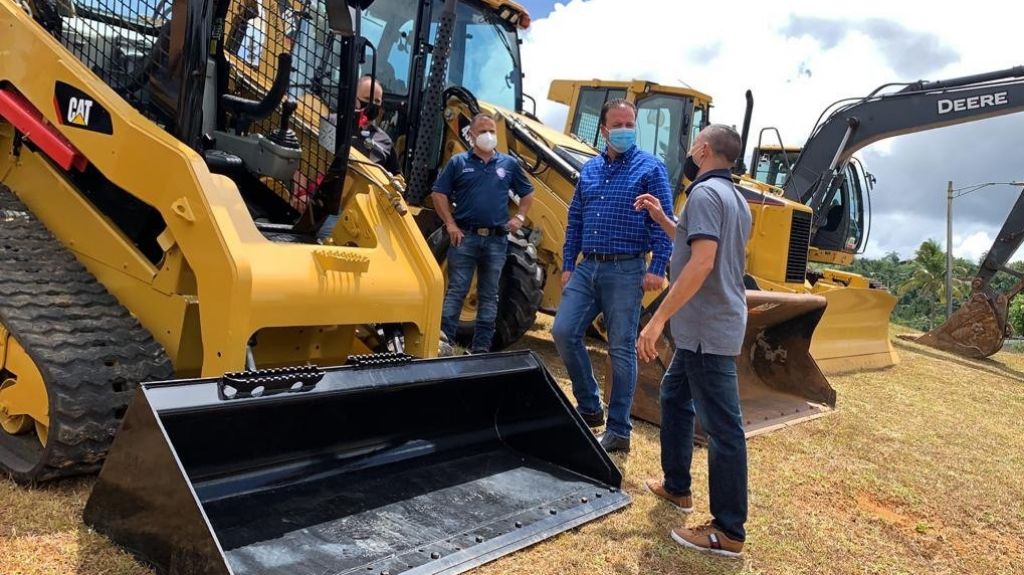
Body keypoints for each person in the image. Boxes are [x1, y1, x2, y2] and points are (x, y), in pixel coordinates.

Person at [633, 124, 752, 559]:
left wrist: (657, 320)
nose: (689, 148)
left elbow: (702, 263)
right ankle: (677, 486)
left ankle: (728, 530)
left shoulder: (703, 194)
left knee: (723, 428)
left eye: (693, 141)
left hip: (705, 328)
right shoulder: (735, 198)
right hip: (710, 325)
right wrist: (664, 221)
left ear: (702, 149)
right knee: (674, 395)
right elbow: (695, 245)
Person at [552, 99, 674, 453]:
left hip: (626, 269)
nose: (624, 129)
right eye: (617, 124)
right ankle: (590, 406)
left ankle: (619, 429)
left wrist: (658, 266)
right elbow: (575, 219)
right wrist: (569, 264)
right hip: (587, 266)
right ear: (604, 130)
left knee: (621, 348)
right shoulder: (589, 170)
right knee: (563, 331)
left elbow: (664, 220)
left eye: (629, 123)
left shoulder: (651, 168)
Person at [431, 112, 534, 353]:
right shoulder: (458, 163)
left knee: (489, 296)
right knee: (457, 291)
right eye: (483, 131)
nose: (488, 135)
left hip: (497, 241)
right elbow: (438, 193)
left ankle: (481, 350)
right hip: (464, 237)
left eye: (492, 131)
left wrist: (519, 216)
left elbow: (528, 193)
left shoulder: (508, 164)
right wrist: (450, 224)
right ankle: (443, 343)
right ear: (471, 135)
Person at [317, 75, 399, 241]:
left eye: (377, 101)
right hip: (327, 205)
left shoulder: (385, 141)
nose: (372, 105)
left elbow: (395, 178)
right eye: (367, 99)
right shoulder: (333, 123)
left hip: (361, 215)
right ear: (354, 98)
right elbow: (314, 157)